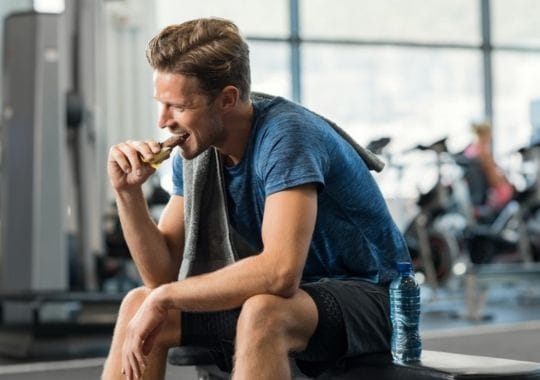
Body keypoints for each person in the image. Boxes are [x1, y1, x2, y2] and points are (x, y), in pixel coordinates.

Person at [102, 17, 410, 380]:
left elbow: (280, 273)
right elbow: (161, 274)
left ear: (227, 100)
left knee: (265, 312)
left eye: (179, 106)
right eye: (161, 104)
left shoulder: (287, 136)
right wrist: (128, 193)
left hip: (376, 296)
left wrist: (166, 297)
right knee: (138, 303)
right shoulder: (197, 148)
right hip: (299, 296)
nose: (163, 121)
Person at [463, 121, 514, 215]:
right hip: (490, 190)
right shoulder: (483, 152)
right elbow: (491, 176)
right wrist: (506, 183)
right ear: (485, 134)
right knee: (509, 191)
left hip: (475, 190)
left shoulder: (470, 148)